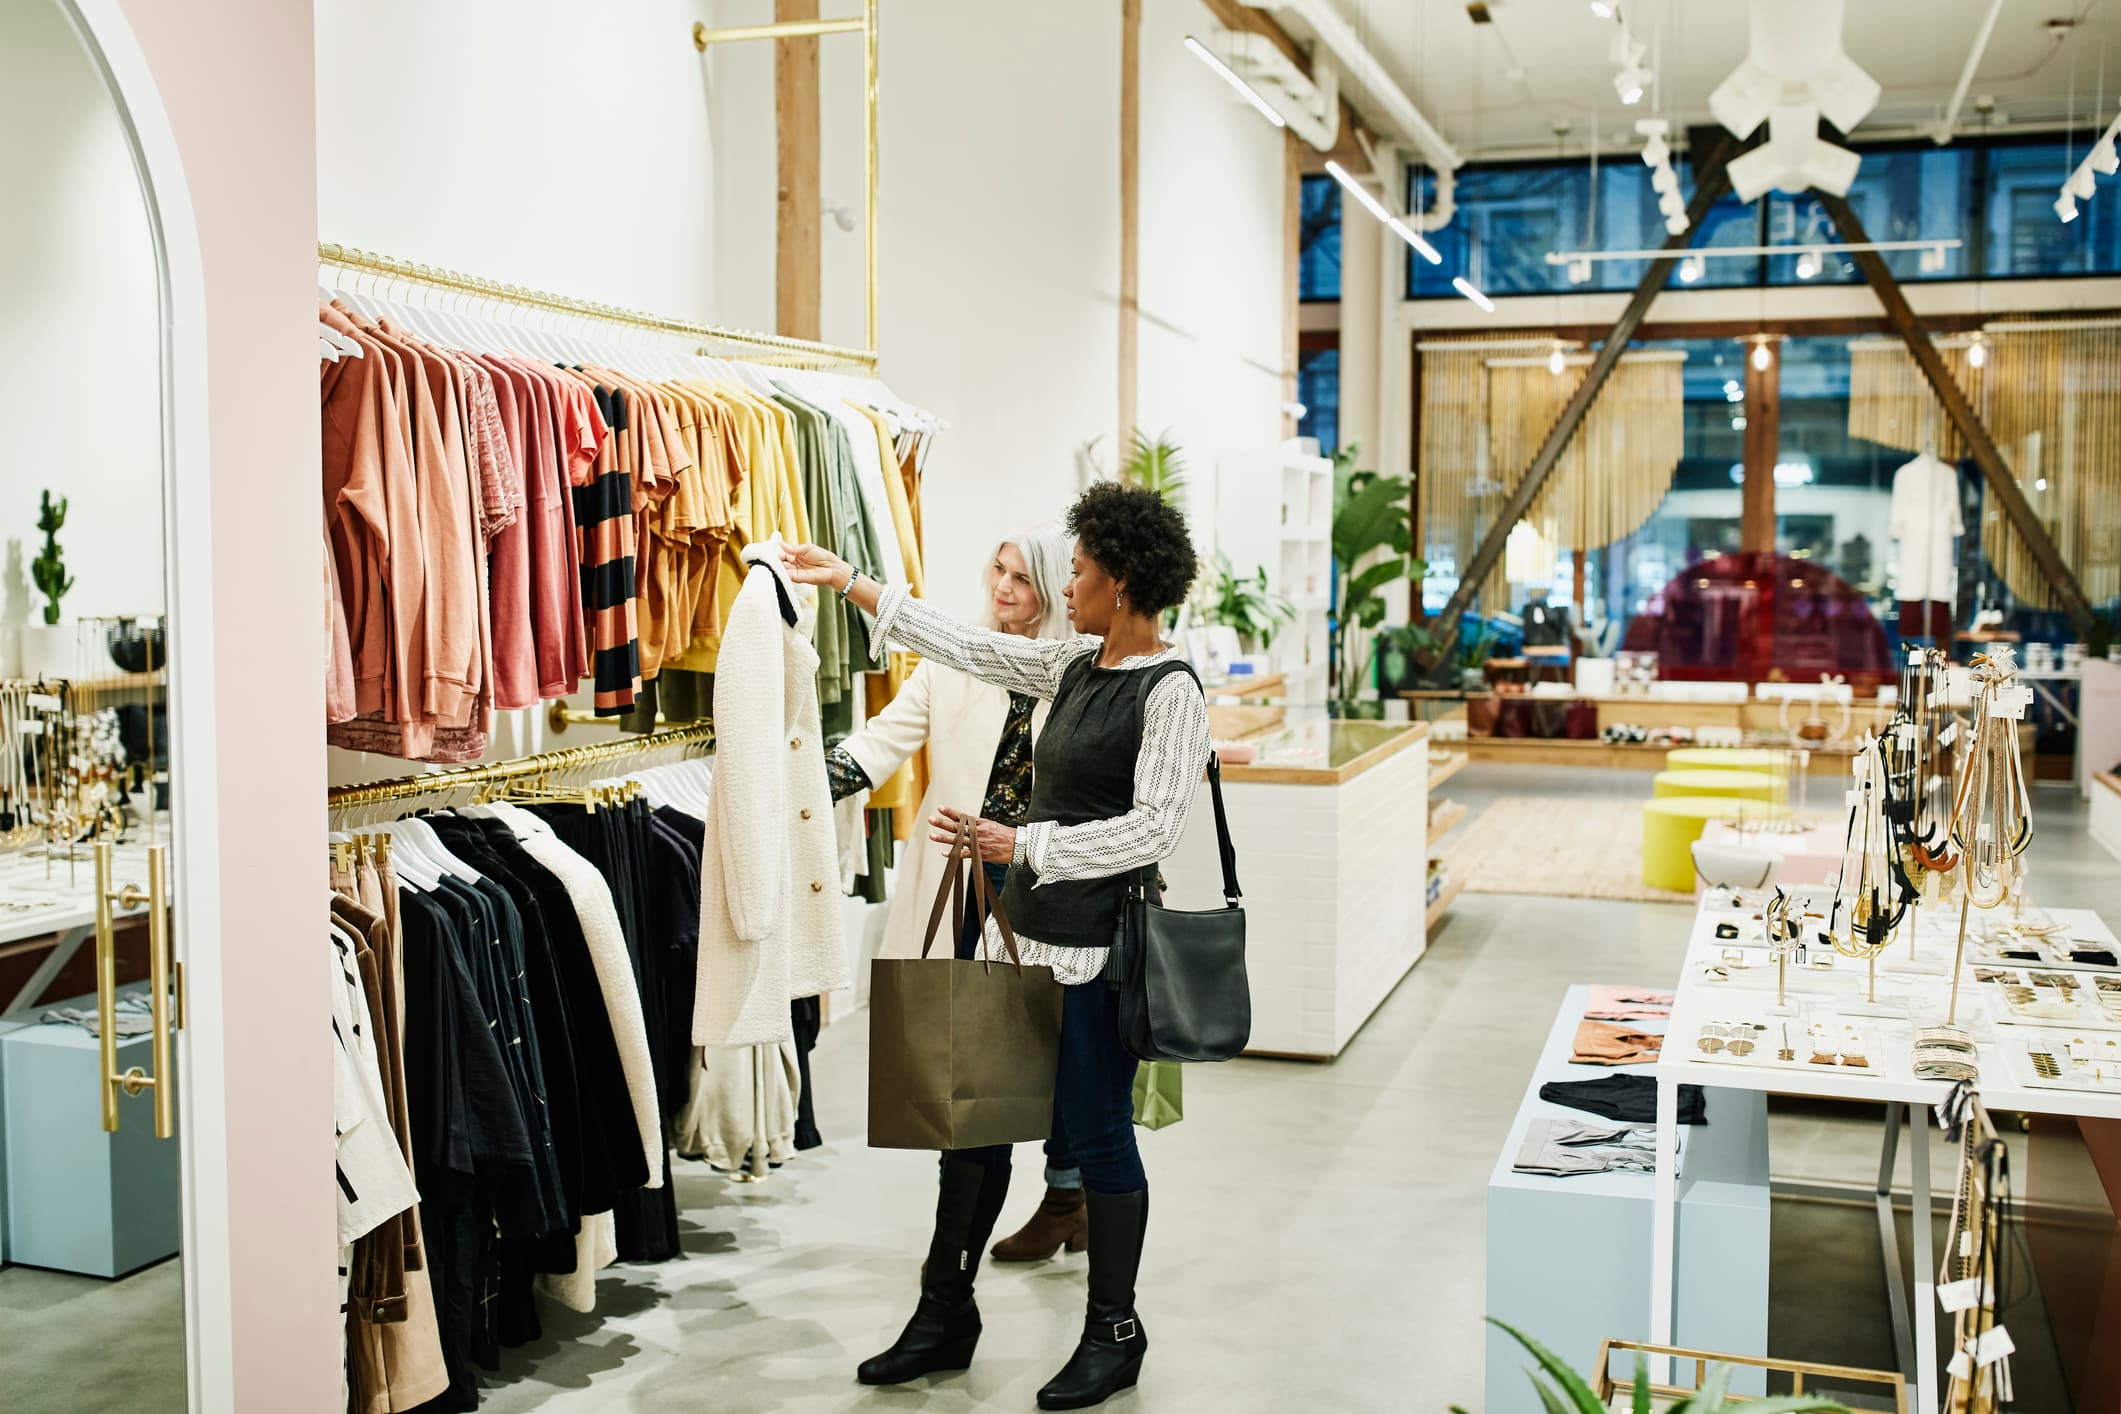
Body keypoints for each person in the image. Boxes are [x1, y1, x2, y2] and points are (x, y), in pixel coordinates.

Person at [782, 480, 1212, 1411]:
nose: (1069, 587)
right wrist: (852, 583)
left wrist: (1025, 845)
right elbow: (971, 647)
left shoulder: (1171, 691)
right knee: (970, 1128)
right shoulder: (1070, 664)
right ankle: (945, 1315)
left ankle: (1114, 1334)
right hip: (1014, 938)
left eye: (1084, 573)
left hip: (1094, 952)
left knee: (1096, 1140)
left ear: (1126, 582)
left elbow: (1157, 827)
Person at [822, 525, 1095, 1255]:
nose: (1003, 588)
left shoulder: (1076, 673)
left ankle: (1066, 1192)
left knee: (1056, 1050)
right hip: (965, 883)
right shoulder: (951, 665)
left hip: (1047, 885)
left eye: (1023, 579)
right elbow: (881, 742)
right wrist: (802, 780)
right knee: (973, 1056)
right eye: (997, 571)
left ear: (1056, 589)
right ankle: (983, 1232)